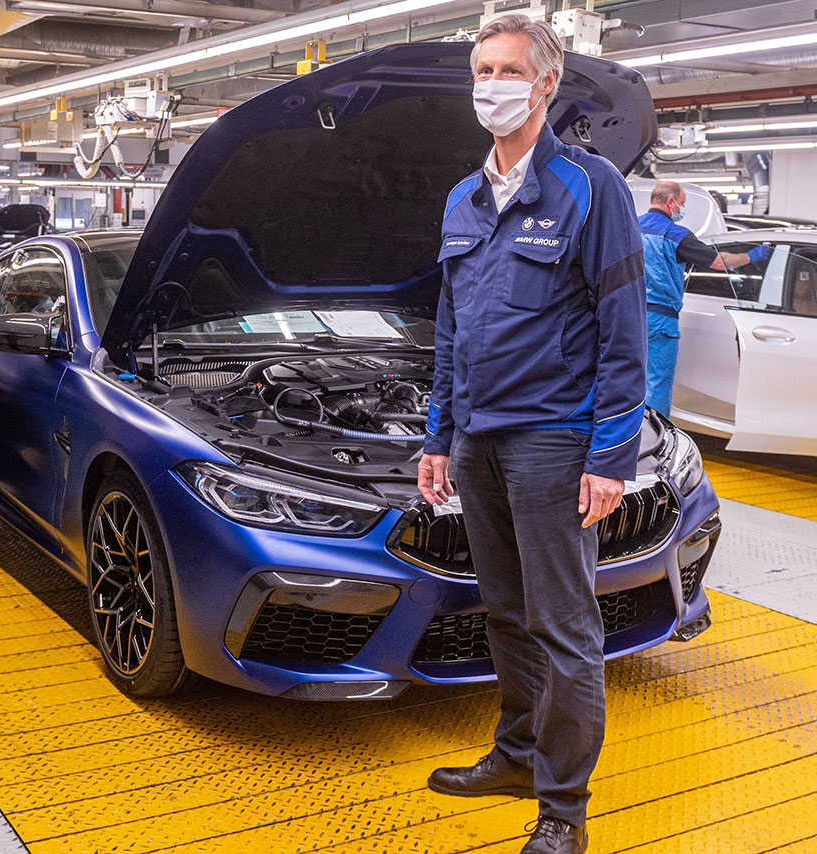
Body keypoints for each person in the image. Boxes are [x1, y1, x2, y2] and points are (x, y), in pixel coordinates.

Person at [418, 15, 648, 854]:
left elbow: (624, 333)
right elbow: (451, 326)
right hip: (476, 440)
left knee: (566, 628)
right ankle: (514, 755)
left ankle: (564, 812)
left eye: (508, 68)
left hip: (553, 440)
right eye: (482, 68)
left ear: (546, 83)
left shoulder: (591, 188)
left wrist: (611, 457)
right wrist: (438, 434)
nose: (491, 83)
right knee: (506, 614)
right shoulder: (462, 198)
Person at [639, 181, 767, 416]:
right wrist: (753, 256)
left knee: (630, 381)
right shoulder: (676, 234)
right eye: (682, 203)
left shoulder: (630, 226)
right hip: (661, 319)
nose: (682, 208)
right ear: (670, 202)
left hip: (631, 317)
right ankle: (654, 441)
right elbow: (719, 262)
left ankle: (628, 438)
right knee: (657, 384)